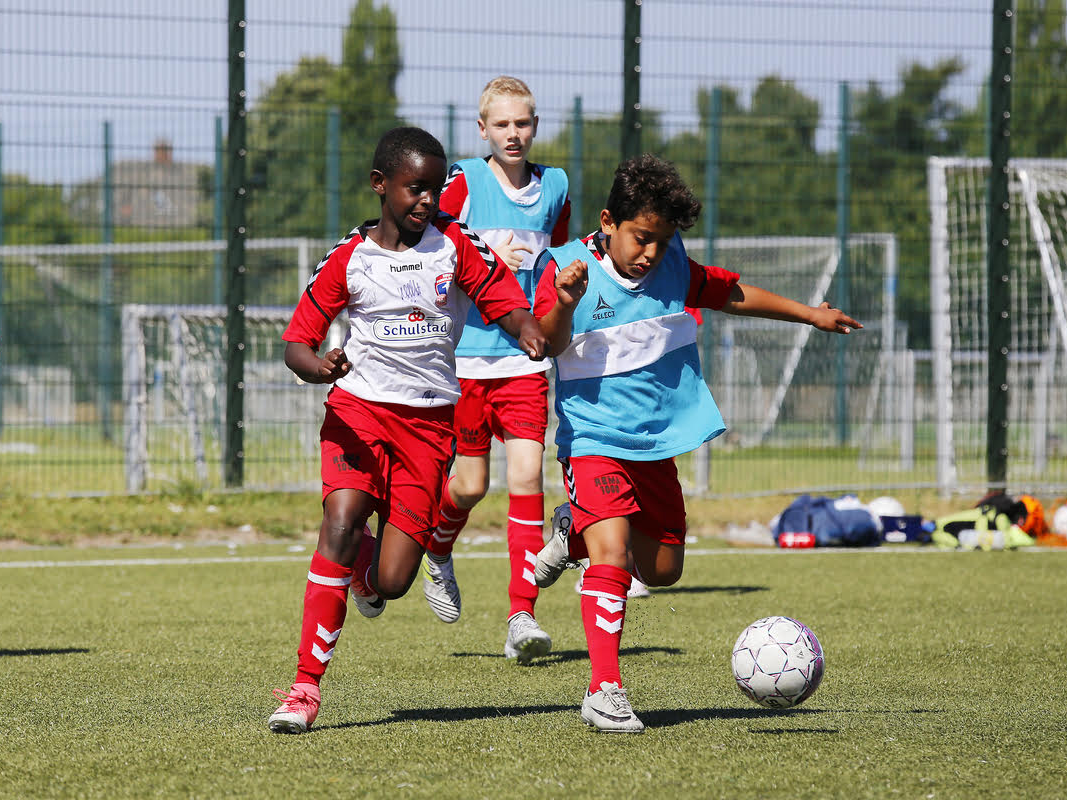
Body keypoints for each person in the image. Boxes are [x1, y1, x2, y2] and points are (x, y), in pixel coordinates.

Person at [530, 154, 861, 733]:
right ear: (608, 221)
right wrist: (564, 301)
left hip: (656, 445)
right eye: (640, 237)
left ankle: (569, 531)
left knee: (662, 570)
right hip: (594, 440)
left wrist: (809, 314)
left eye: (661, 240)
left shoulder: (672, 264)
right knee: (612, 556)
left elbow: (727, 294)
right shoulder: (565, 267)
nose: (651, 252)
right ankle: (604, 690)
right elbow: (548, 344)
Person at [268, 127, 547, 734]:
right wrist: (320, 369)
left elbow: (501, 296)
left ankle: (366, 574)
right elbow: (296, 341)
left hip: (427, 426)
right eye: (415, 189)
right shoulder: (349, 256)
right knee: (340, 523)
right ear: (380, 186)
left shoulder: (455, 246)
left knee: (390, 582)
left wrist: (525, 327)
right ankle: (303, 690)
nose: (427, 200)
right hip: (358, 414)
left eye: (434, 188)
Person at [419, 75, 573, 663]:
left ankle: (521, 615)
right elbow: (433, 239)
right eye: (502, 124)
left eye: (523, 123)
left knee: (529, 477)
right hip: (462, 361)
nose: (514, 134)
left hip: (523, 358)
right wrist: (483, 255)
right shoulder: (463, 180)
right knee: (469, 485)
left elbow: (558, 254)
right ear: (483, 130)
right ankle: (439, 547)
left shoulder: (554, 185)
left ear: (536, 126)